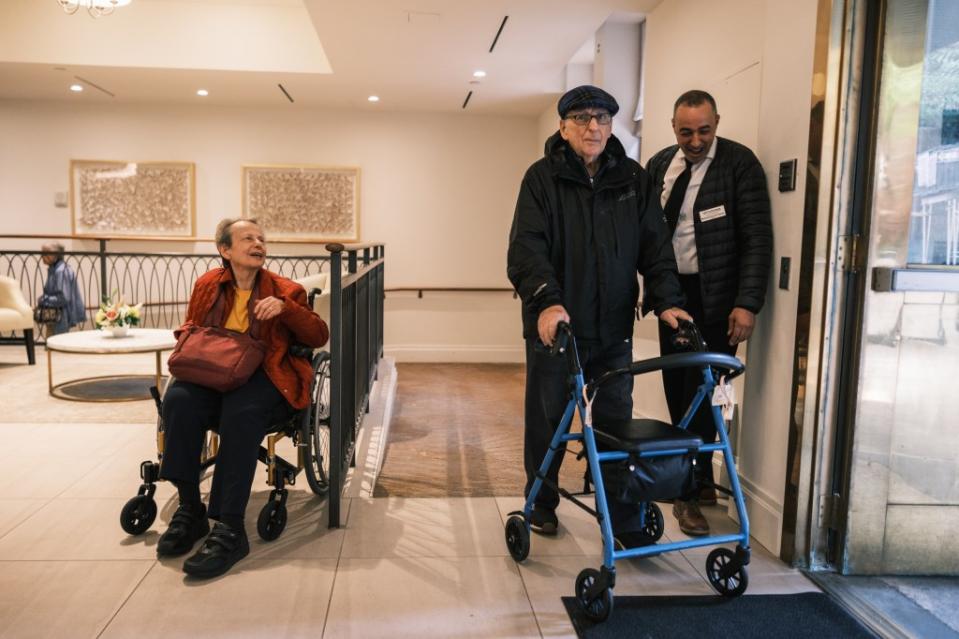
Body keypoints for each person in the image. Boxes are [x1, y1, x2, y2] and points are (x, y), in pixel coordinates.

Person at [507, 85, 691, 549]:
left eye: (604, 118)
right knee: (548, 419)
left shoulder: (632, 179)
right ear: (564, 125)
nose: (595, 126)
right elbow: (526, 250)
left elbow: (655, 246)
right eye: (584, 117)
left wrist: (667, 299)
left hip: (613, 329)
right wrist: (547, 300)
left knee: (614, 420)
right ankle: (542, 504)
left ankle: (624, 516)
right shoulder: (541, 179)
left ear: (612, 125)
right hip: (558, 329)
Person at [157, 218, 329, 578]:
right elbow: (192, 326)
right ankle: (191, 511)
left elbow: (318, 336)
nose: (258, 243)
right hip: (215, 370)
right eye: (248, 238)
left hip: (266, 374)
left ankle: (231, 528)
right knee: (178, 401)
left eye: (262, 238)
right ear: (225, 250)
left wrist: (287, 310)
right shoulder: (207, 284)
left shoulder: (286, 289)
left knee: (241, 412)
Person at [646, 90, 772, 536]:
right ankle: (689, 482)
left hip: (717, 299)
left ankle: (688, 492)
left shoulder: (740, 164)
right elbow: (648, 231)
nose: (695, 140)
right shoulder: (661, 164)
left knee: (704, 394)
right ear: (672, 127)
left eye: (704, 130)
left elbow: (757, 238)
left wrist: (747, 302)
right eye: (686, 132)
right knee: (677, 391)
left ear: (717, 121)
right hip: (672, 296)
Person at [37, 242, 85, 335]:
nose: (42, 256)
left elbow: (64, 298)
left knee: (55, 342)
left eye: (46, 253)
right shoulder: (55, 269)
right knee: (51, 342)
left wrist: (44, 299)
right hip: (56, 315)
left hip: (60, 316)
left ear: (55, 255)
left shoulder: (60, 271)